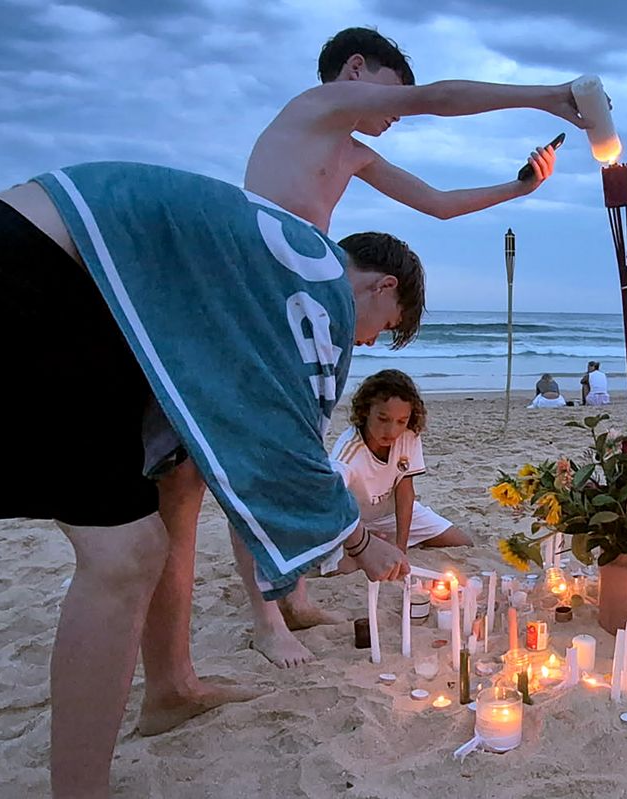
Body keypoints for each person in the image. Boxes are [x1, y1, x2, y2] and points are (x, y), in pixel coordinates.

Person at [0, 166, 421, 797]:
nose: (370, 338)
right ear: (382, 286)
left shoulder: (279, 256)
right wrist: (358, 542)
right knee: (122, 556)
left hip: (73, 277)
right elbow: (285, 436)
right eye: (386, 325)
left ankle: (169, 688)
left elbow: (210, 392)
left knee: (177, 481)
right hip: (17, 268)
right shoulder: (319, 284)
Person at [155, 26, 591, 672]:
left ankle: (294, 596)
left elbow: (439, 204)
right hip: (254, 294)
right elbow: (441, 98)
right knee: (254, 465)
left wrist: (519, 188)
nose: (397, 115)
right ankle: (265, 618)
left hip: (295, 308)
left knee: (285, 450)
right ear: (354, 68)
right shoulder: (313, 107)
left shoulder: (352, 152)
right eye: (393, 96)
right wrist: (550, 96)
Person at [242, 369, 470, 663]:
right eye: (383, 419)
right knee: (343, 565)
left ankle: (383, 542)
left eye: (401, 421)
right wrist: (361, 541)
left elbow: (405, 492)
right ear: (365, 412)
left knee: (461, 541)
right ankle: (366, 547)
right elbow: (334, 502)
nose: (392, 430)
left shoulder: (409, 437)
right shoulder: (348, 452)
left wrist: (400, 546)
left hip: (386, 514)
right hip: (351, 520)